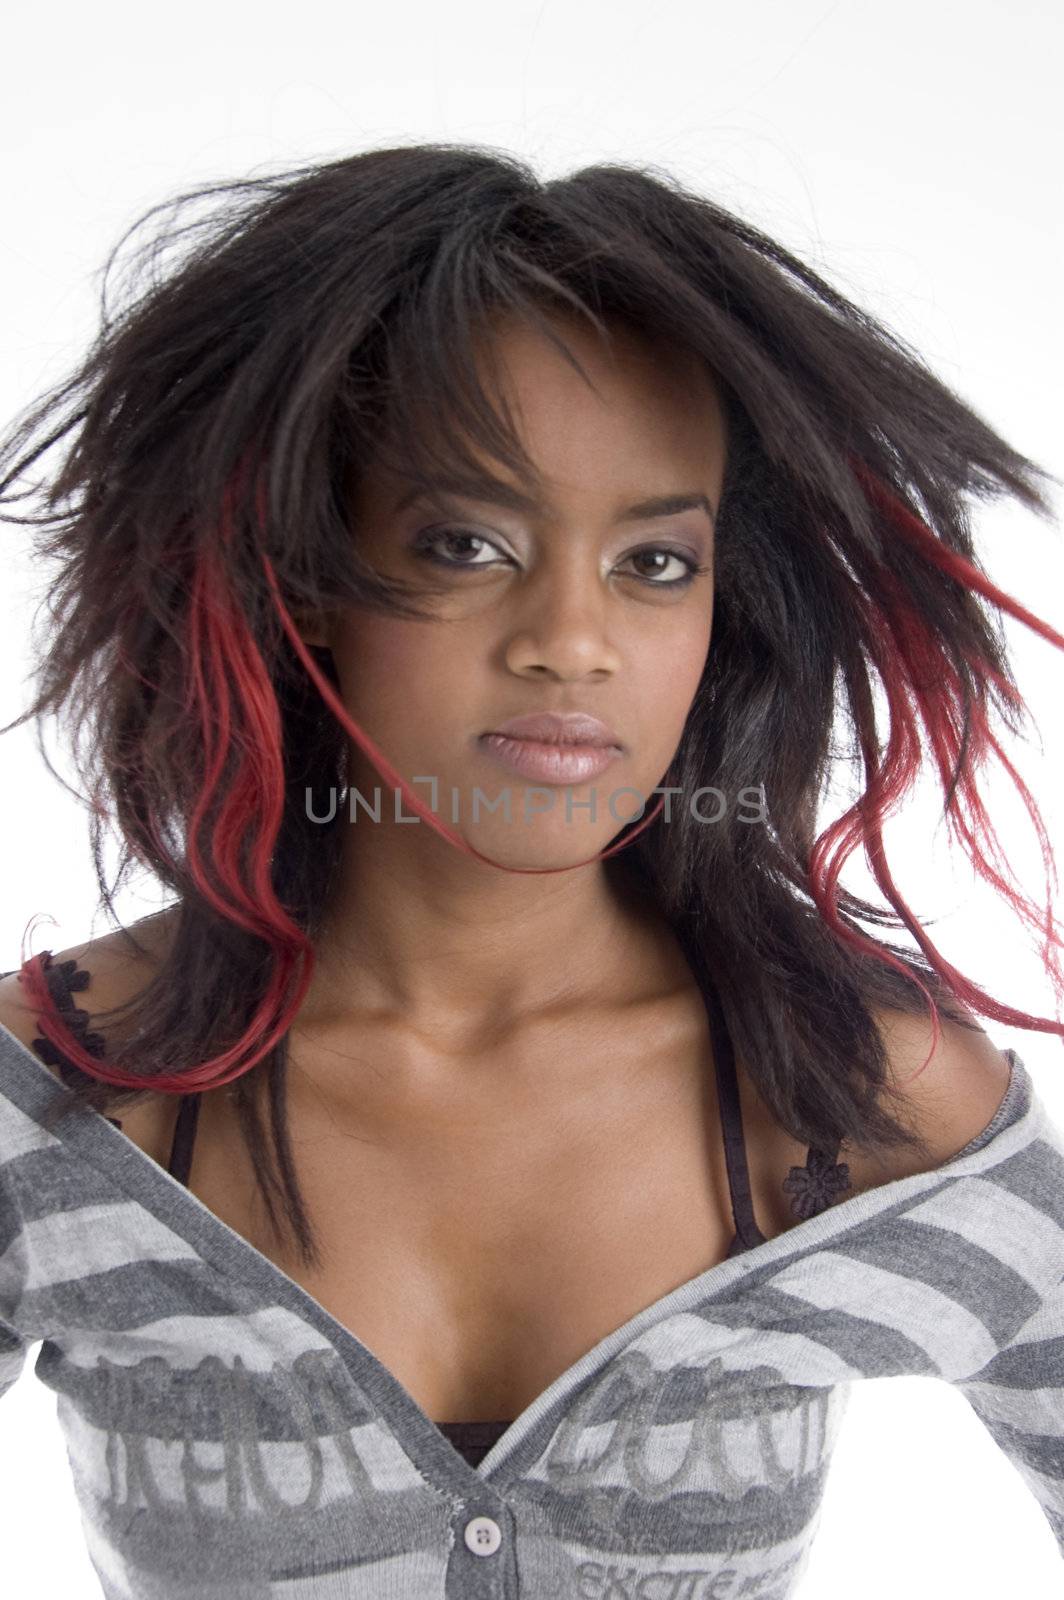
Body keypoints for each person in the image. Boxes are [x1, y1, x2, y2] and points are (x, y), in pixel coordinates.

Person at [0, 143, 1061, 1597]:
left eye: (654, 562)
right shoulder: (59, 1096)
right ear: (301, 567)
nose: (572, 637)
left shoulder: (866, 1106)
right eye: (467, 542)